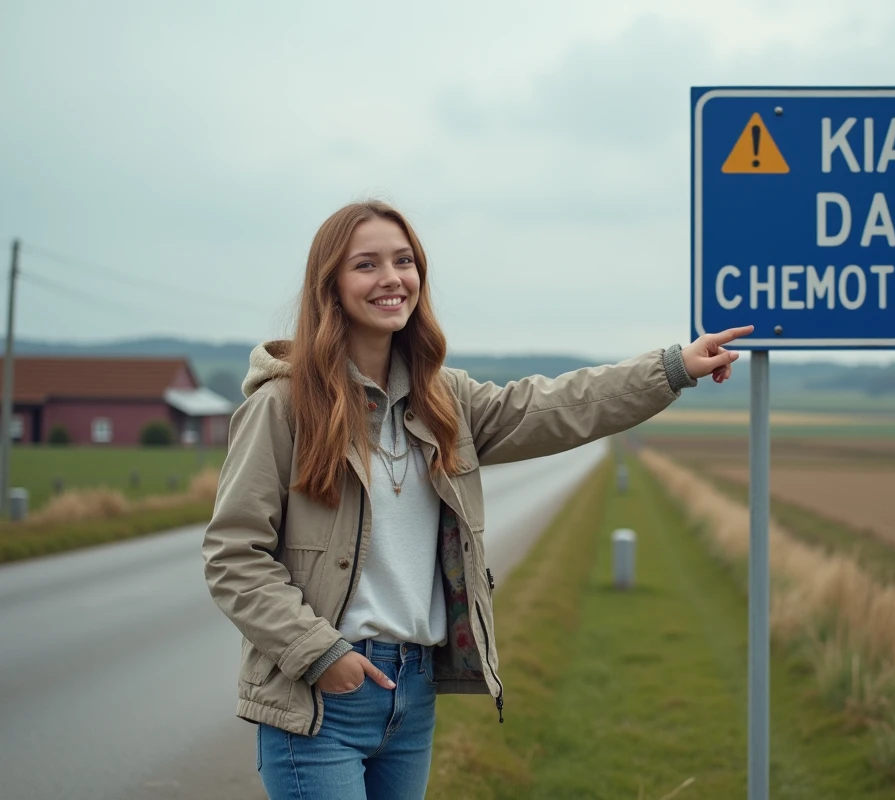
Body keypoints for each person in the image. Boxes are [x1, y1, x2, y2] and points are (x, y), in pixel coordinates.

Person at [201, 199, 751, 800]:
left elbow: (558, 405)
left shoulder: (444, 400)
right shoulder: (282, 406)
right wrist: (321, 655)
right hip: (320, 698)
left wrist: (674, 367)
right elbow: (234, 556)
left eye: (404, 261)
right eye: (366, 265)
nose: (391, 278)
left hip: (411, 693)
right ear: (328, 285)